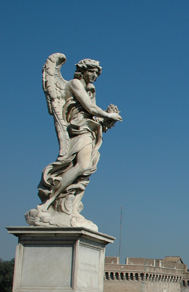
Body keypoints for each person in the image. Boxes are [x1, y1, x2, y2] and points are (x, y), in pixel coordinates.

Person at [29, 54, 123, 230]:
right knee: (81, 165)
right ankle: (49, 202)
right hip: (79, 129)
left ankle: (69, 207)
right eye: (92, 72)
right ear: (83, 71)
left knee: (85, 169)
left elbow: (94, 117)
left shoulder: (89, 89)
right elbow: (89, 108)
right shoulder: (74, 84)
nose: (94, 76)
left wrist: (108, 120)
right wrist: (108, 114)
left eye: (97, 74)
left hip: (89, 131)